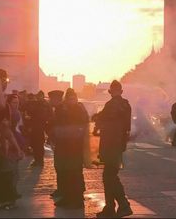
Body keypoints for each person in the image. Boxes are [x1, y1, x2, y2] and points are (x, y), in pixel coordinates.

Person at [96, 80, 133, 218]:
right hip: (117, 144)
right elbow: (127, 127)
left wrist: (97, 118)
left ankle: (123, 205)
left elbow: (103, 118)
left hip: (110, 144)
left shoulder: (111, 105)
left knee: (110, 177)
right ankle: (110, 207)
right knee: (109, 176)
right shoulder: (126, 105)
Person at [52, 88, 88, 209]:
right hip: (63, 145)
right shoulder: (61, 109)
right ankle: (67, 197)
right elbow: (55, 124)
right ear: (66, 99)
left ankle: (77, 199)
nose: (71, 100)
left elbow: (84, 125)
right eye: (69, 98)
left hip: (75, 146)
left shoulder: (79, 109)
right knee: (64, 172)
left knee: (76, 172)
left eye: (73, 98)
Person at [0, 69, 24, 209]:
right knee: (2, 171)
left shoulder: (4, 103)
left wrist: (15, 147)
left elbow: (6, 129)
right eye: (2, 81)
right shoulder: (0, 102)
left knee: (4, 170)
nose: (5, 84)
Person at [46, 90, 65, 200]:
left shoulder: (61, 110)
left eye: (51, 99)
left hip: (61, 143)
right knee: (58, 166)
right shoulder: (57, 109)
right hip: (58, 142)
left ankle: (62, 190)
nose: (50, 101)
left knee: (61, 167)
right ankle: (61, 189)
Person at [25, 90, 50, 167]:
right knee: (34, 145)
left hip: (41, 127)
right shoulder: (35, 103)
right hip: (34, 127)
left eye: (41, 96)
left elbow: (50, 114)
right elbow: (29, 112)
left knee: (40, 145)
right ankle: (37, 160)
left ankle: (40, 160)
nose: (39, 98)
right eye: (38, 96)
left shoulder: (46, 104)